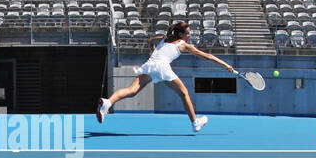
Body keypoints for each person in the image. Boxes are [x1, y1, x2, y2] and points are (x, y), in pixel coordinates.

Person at [96, 21, 235, 132]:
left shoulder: (165, 39)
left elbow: (150, 40)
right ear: (181, 34)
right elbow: (207, 56)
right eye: (187, 33)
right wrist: (225, 65)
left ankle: (107, 102)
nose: (189, 36)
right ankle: (195, 123)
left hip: (149, 65)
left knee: (131, 91)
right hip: (162, 67)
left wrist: (154, 47)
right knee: (184, 93)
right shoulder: (183, 45)